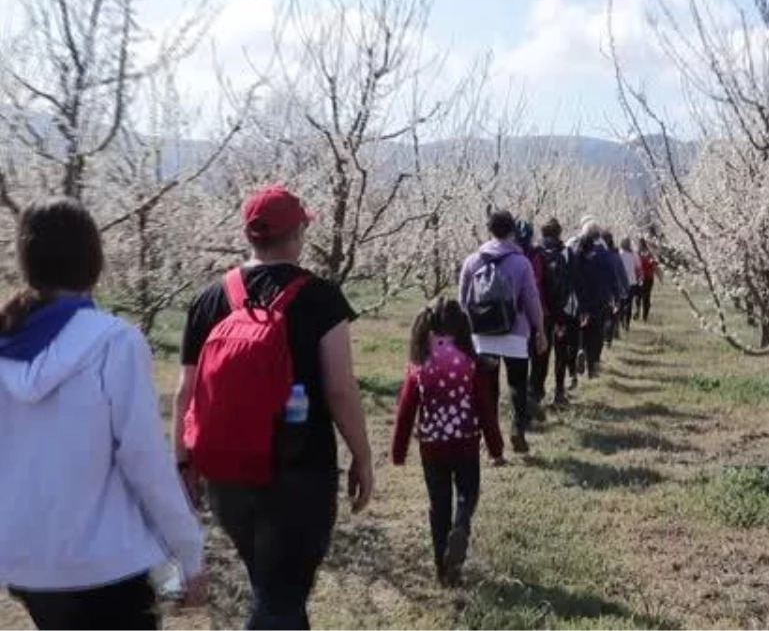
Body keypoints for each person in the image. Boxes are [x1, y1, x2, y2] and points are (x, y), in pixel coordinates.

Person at [0, 198, 206, 631]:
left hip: (25, 561)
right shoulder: (113, 342)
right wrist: (188, 552)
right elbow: (145, 462)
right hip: (104, 566)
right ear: (94, 260)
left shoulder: (7, 342)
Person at [174, 185, 373, 630]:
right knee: (279, 602)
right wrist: (362, 455)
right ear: (297, 232)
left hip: (228, 473)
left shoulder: (208, 299)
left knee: (275, 589)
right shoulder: (321, 298)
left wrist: (184, 462)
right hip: (299, 474)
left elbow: (186, 390)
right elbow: (340, 388)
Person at [391, 298, 505, 587]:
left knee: (438, 505)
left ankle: (444, 571)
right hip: (465, 441)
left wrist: (398, 450)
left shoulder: (420, 363)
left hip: (432, 446)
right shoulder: (470, 363)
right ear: (463, 327)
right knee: (468, 493)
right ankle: (462, 525)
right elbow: (485, 409)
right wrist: (495, 447)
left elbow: (406, 408)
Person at [459, 210, 547, 454]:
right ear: (512, 232)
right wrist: (540, 330)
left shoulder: (472, 261)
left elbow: (463, 301)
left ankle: (492, 443)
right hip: (515, 334)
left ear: (489, 230)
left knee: (488, 392)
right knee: (518, 384)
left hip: (482, 336)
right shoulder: (521, 262)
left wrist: (465, 335)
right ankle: (518, 429)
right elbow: (531, 299)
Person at [531, 218, 577, 406]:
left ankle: (537, 392)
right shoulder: (566, 252)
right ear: (559, 234)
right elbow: (572, 282)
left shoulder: (535, 252)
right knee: (561, 352)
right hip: (562, 311)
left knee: (541, 352)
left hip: (541, 311)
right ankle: (559, 392)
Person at [570, 223, 618, 378]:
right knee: (596, 334)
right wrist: (615, 296)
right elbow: (612, 277)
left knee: (580, 330)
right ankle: (593, 365)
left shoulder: (575, 257)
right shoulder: (603, 255)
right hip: (598, 301)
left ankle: (580, 350)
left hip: (579, 302)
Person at [514, 219, 549, 421]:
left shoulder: (510, 255)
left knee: (520, 361)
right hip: (535, 312)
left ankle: (523, 403)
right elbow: (537, 285)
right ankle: (533, 395)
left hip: (513, 317)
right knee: (537, 357)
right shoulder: (536, 255)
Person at [599, 231, 629, 347]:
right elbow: (622, 273)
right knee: (611, 316)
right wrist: (626, 288)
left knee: (604, 316)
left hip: (601, 290)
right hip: (614, 290)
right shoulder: (616, 256)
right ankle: (608, 339)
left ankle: (603, 337)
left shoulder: (598, 254)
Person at [618, 237, 640, 332]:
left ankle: (621, 321)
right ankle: (627, 323)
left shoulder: (619, 254)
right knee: (629, 304)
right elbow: (639, 267)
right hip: (632, 282)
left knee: (621, 303)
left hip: (621, 283)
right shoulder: (634, 255)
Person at [637, 238, 658, 321]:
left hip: (645, 278)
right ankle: (642, 315)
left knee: (643, 297)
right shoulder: (647, 254)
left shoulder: (643, 254)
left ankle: (643, 315)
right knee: (644, 297)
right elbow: (655, 264)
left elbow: (655, 263)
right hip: (647, 277)